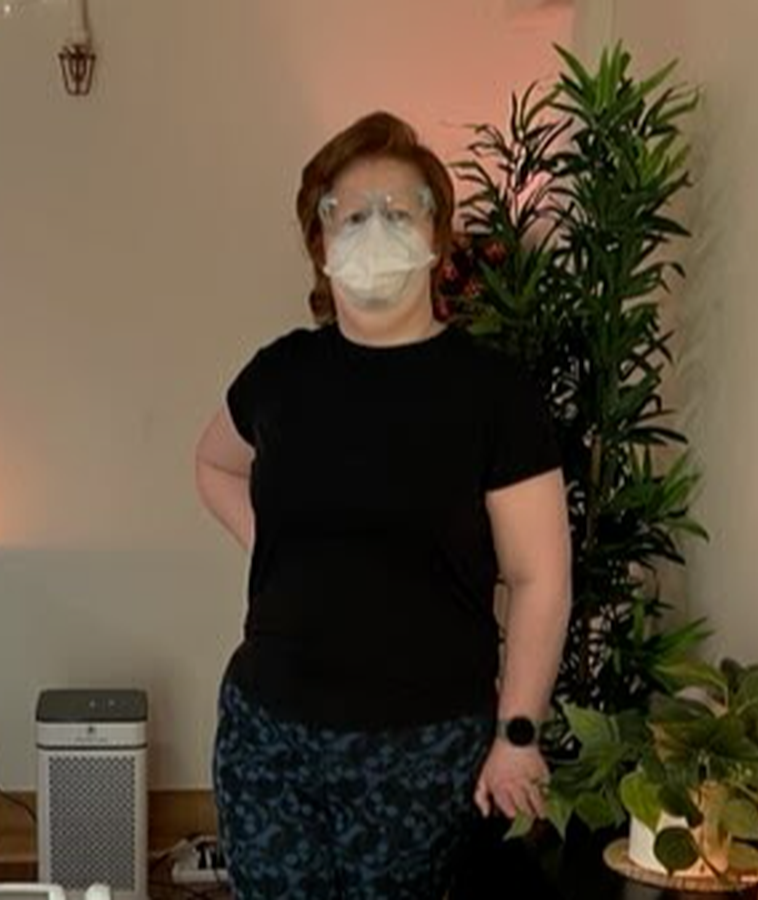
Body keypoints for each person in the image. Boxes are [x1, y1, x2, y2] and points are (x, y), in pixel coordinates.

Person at [193, 111, 572, 899]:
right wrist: (282, 550)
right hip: (269, 738)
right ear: (320, 241)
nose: (375, 230)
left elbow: (540, 578)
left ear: (437, 234)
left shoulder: (493, 394)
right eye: (351, 215)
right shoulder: (281, 375)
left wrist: (518, 734)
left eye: (399, 212)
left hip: (424, 751)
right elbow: (214, 465)